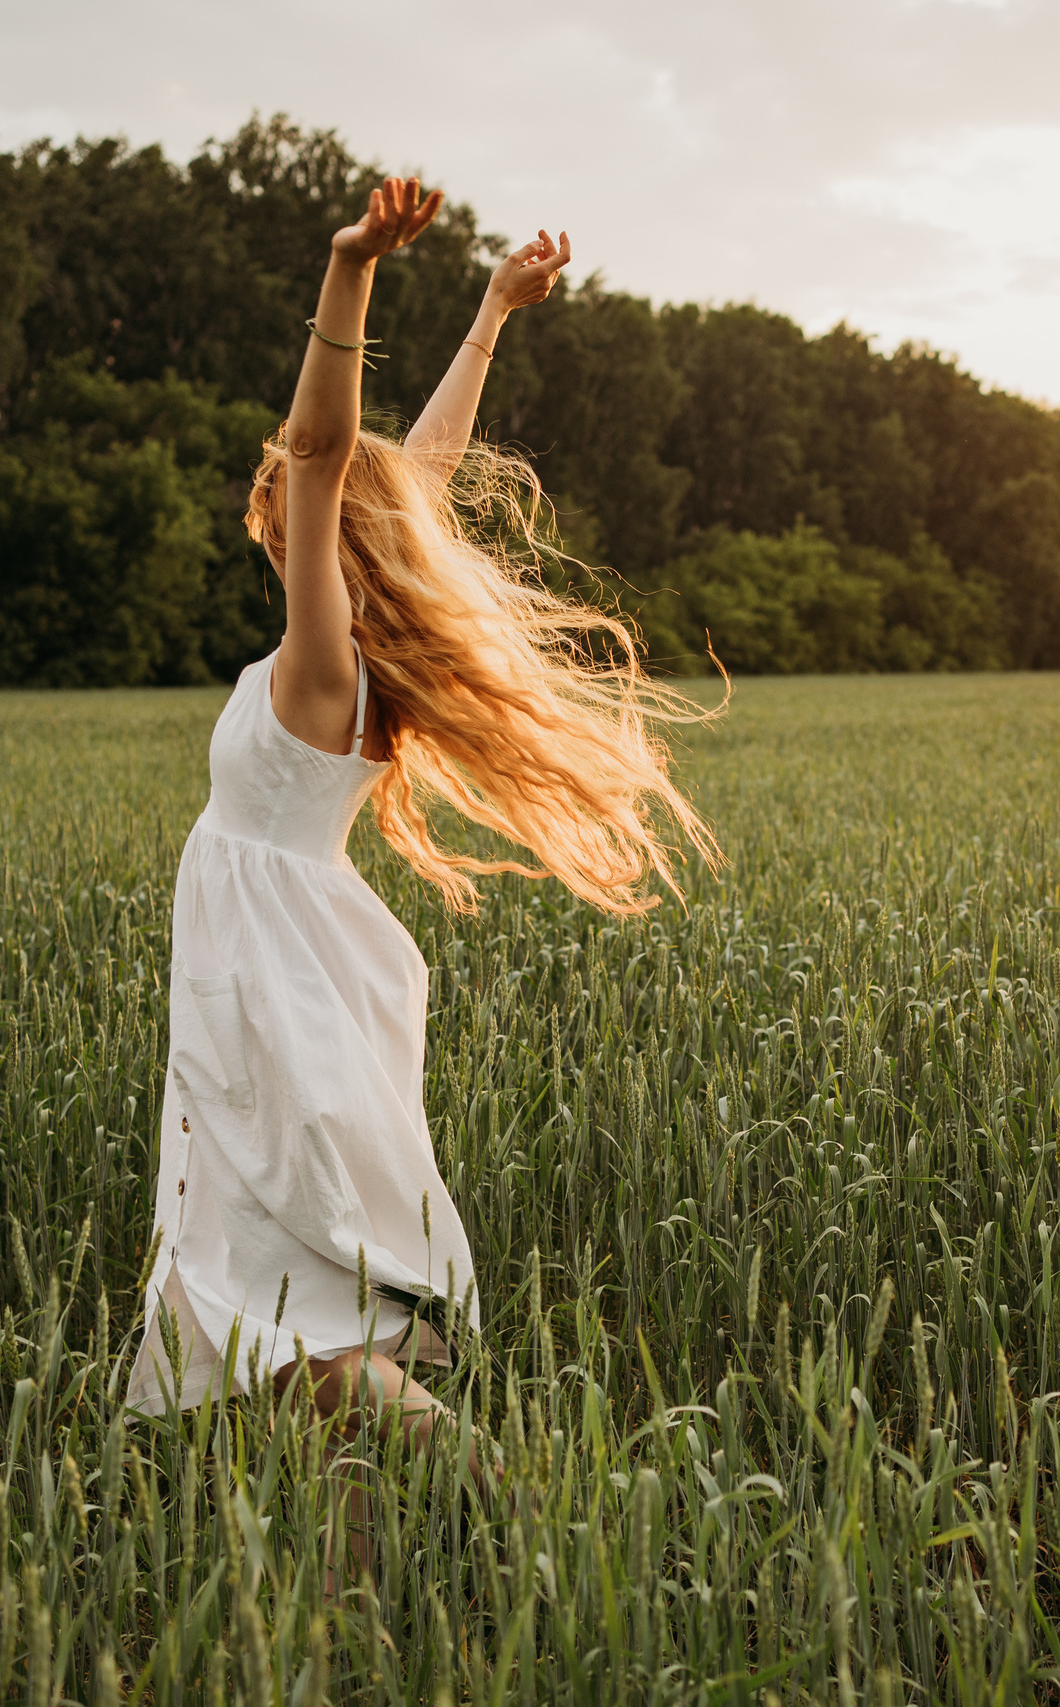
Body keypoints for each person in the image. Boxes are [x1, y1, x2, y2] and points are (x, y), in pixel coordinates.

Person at [125, 176, 719, 1456]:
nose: (277, 508)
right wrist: (494, 314)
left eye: (289, 500)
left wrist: (351, 272)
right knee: (285, 1310)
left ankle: (507, 1484)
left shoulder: (320, 664)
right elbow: (420, 478)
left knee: (283, 1324)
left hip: (274, 993)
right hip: (278, 978)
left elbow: (340, 458)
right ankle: (349, 1612)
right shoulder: (351, 657)